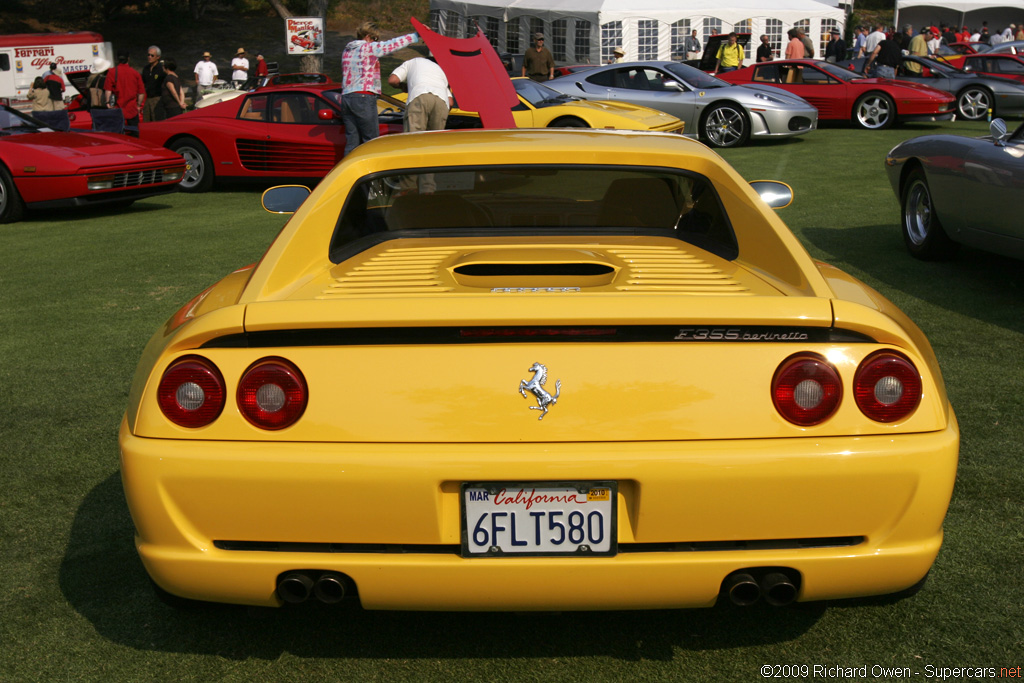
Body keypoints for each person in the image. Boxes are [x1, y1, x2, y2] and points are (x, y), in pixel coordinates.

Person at [341, 21, 419, 156]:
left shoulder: (347, 50)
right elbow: (392, 44)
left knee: (352, 142)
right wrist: (416, 36)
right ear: (367, 36)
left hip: (346, 97)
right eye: (375, 38)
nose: (375, 42)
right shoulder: (367, 48)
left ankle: (347, 172)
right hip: (363, 96)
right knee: (371, 141)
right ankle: (375, 175)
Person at [387, 57, 451, 193]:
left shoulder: (411, 62)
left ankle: (407, 187)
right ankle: (428, 189)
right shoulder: (440, 71)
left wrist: (403, 87)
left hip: (420, 96)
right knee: (432, 148)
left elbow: (393, 80)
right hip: (441, 101)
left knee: (413, 143)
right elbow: (450, 102)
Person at [107, 49, 146, 136]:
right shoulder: (135, 74)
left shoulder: (112, 72)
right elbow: (141, 93)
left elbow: (108, 90)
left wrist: (108, 103)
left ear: (117, 59)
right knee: (135, 133)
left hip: (117, 109)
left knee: (118, 134)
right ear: (128, 59)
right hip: (132, 109)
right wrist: (139, 105)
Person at [140, 45, 165, 122]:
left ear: (158, 57)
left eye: (152, 55)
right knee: (146, 120)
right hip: (148, 98)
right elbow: (143, 83)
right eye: (148, 55)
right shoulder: (146, 69)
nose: (149, 57)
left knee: (157, 119)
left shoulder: (161, 69)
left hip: (157, 98)